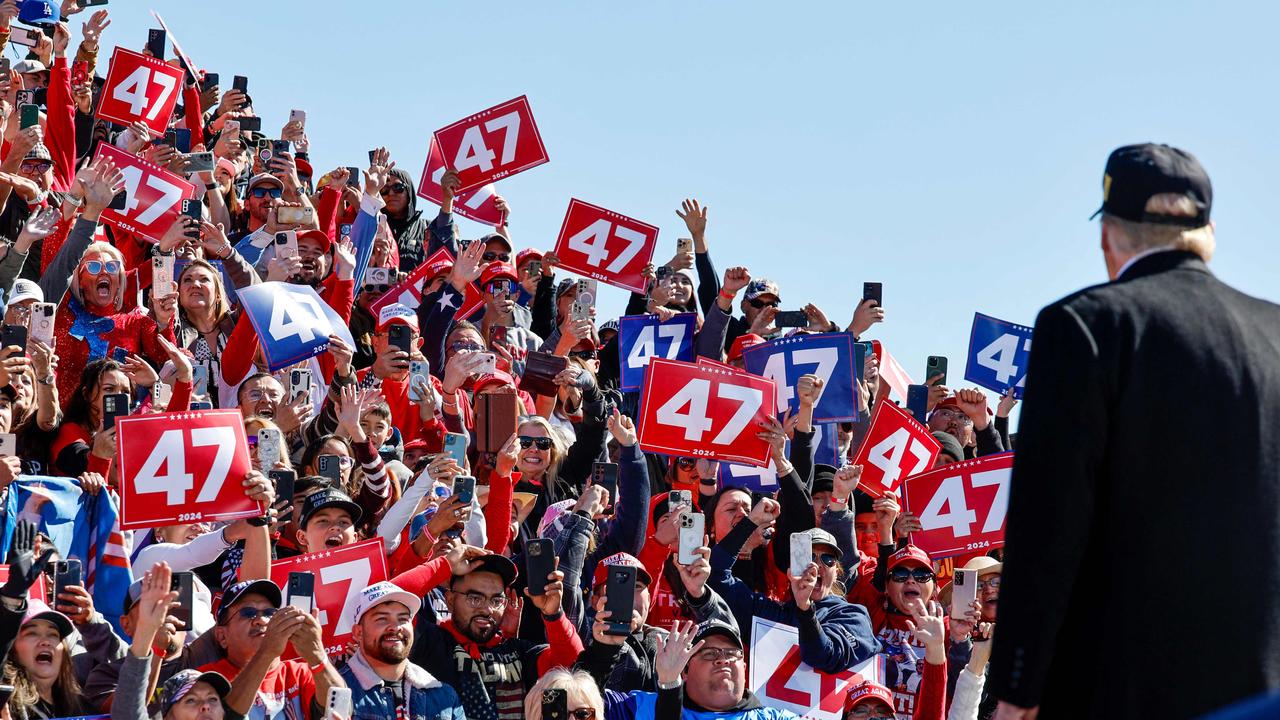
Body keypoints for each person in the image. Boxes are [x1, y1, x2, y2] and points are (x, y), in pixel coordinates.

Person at [989, 144, 1280, 718]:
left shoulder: (1084, 325)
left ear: (1109, 237)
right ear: (1209, 233)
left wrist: (1019, 687)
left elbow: (1048, 523)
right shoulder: (1275, 333)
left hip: (1120, 688)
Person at [339, 581, 465, 719]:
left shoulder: (444, 696)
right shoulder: (335, 692)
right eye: (382, 619)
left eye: (403, 619)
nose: (395, 627)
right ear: (358, 632)